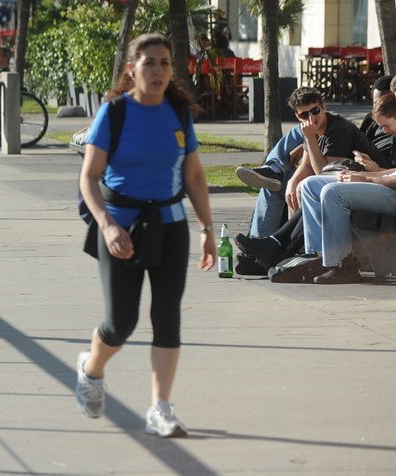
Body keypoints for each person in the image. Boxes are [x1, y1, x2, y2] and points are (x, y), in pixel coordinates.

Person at [75, 33, 215, 438]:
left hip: (170, 226)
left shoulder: (178, 111)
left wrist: (206, 227)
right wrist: (107, 224)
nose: (157, 70)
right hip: (121, 225)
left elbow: (194, 176)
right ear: (132, 69)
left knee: (167, 317)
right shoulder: (114, 113)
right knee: (121, 323)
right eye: (149, 62)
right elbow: (89, 177)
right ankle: (91, 369)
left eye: (165, 63)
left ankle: (160, 408)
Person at [234, 87, 376, 237]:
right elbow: (307, 165)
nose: (311, 118)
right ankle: (265, 244)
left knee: (301, 187)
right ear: (297, 116)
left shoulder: (338, 129)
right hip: (342, 181)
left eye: (315, 111)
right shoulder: (311, 129)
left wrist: (309, 139)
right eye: (304, 114)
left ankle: (288, 245)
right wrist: (292, 182)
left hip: (363, 182)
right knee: (281, 185)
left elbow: (325, 173)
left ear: (323, 108)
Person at [290, 93, 396, 284]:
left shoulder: (338, 127)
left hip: (392, 194)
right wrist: (374, 170)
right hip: (385, 186)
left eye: (386, 126)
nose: (385, 131)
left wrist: (367, 177)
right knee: (309, 185)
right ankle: (317, 258)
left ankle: (341, 264)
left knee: (332, 192)